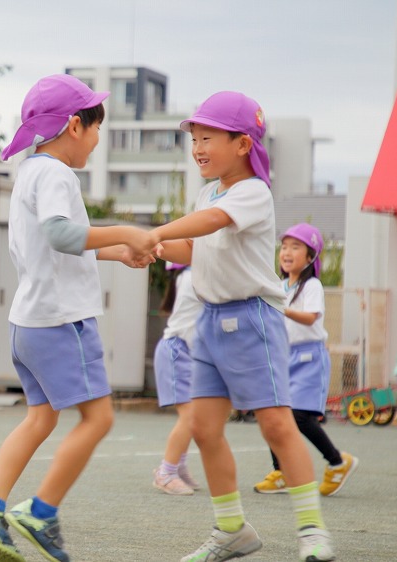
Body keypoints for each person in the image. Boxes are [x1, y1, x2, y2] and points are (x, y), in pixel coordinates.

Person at [0, 74, 158, 562]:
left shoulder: (29, 173)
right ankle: (41, 511)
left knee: (40, 418)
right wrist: (126, 231)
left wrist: (117, 250)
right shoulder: (56, 175)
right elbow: (63, 236)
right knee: (99, 418)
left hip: (28, 323)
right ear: (74, 125)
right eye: (95, 130)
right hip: (61, 322)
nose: (94, 140)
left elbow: (59, 246)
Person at [150, 92, 335, 562]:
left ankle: (312, 530)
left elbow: (209, 224)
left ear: (242, 143)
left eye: (207, 137)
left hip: (252, 319)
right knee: (205, 430)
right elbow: (196, 249)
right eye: (194, 139)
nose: (198, 148)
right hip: (209, 323)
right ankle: (232, 529)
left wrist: (156, 233)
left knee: (276, 425)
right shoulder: (207, 191)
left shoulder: (252, 191)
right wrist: (149, 249)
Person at [253, 223, 358, 497]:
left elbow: (310, 317)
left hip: (309, 356)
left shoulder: (311, 286)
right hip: (282, 356)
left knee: (300, 416)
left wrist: (280, 308)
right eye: (284, 246)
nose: (287, 252)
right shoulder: (280, 285)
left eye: (295, 247)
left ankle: (337, 462)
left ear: (311, 257)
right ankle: (282, 472)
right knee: (273, 414)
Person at [152, 262, 203, 496]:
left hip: (185, 351)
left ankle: (178, 466)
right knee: (190, 415)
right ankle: (166, 472)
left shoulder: (189, 276)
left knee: (195, 414)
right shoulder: (194, 277)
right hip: (177, 351)